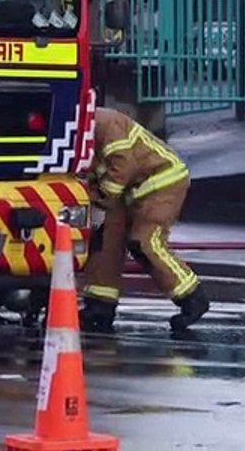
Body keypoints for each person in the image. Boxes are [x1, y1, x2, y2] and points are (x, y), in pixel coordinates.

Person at [80, 107, 210, 333]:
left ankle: (191, 297)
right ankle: (100, 305)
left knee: (144, 242)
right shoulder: (79, 131)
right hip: (125, 192)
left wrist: (100, 200)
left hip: (161, 182)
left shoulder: (107, 123)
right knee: (104, 241)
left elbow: (122, 166)